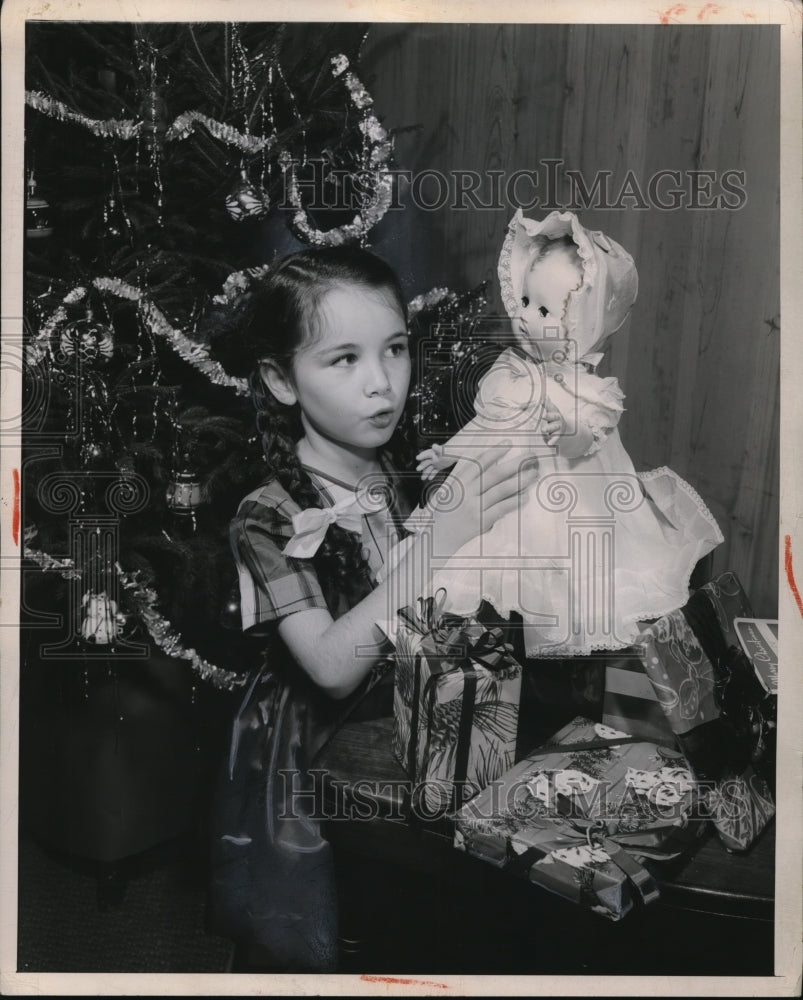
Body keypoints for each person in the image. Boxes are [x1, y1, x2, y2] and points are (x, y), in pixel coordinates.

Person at [205, 246, 533, 972]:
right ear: (279, 379)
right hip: (317, 753)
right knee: (316, 936)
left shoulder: (404, 467)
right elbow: (327, 668)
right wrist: (437, 539)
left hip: (418, 721)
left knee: (435, 923)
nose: (381, 384)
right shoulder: (268, 513)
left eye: (393, 350)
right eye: (343, 360)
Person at [416, 209, 724, 657]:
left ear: (582, 326)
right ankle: (494, 658)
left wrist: (568, 428)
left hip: (568, 499)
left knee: (564, 576)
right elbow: (488, 427)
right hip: (503, 495)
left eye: (542, 310)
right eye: (523, 301)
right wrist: (448, 453)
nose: (522, 317)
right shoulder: (511, 374)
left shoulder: (590, 391)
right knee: (488, 572)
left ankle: (553, 668)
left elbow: (588, 441)